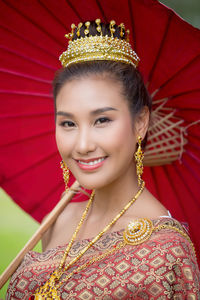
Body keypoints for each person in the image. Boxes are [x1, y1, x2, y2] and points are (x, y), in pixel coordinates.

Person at [6, 20, 200, 300]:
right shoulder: (60, 220)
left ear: (140, 123)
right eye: (68, 124)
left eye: (102, 120)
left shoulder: (168, 252)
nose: (83, 145)